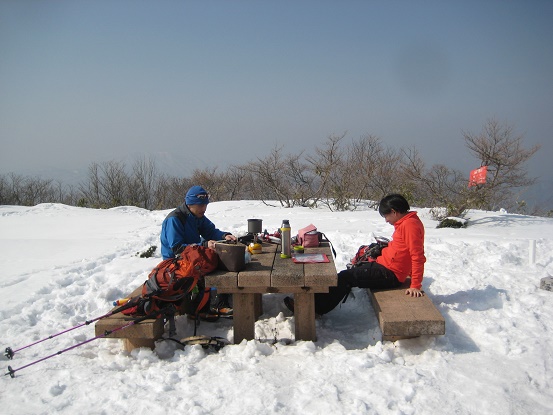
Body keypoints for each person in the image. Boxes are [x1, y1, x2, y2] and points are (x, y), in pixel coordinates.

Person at [285, 194, 426, 315]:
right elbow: (405, 250)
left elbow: (417, 256)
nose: (386, 220)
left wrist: (415, 284)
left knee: (346, 278)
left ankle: (314, 309)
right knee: (347, 273)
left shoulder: (409, 226)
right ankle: (313, 300)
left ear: (394, 212)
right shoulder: (407, 222)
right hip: (386, 265)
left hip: (391, 274)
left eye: (386, 216)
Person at [160, 185, 236, 317]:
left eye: (205, 205)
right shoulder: (175, 219)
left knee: (225, 262)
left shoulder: (196, 216)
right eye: (200, 205)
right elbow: (177, 249)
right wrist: (204, 244)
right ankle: (210, 304)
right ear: (190, 204)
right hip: (175, 263)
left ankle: (220, 301)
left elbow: (210, 231)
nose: (204, 208)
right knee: (212, 268)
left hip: (193, 257)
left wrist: (224, 236)